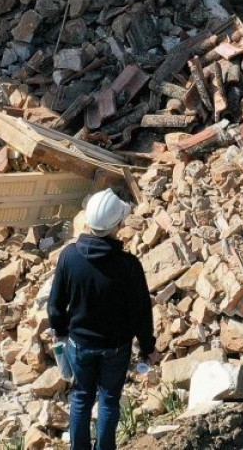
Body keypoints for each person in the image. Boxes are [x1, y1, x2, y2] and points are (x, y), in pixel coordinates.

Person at [48, 189, 158, 450]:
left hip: (79, 345)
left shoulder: (69, 256)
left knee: (81, 398)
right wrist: (148, 348)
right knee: (109, 400)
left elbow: (55, 304)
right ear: (118, 225)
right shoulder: (129, 265)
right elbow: (141, 311)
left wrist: (59, 330)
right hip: (115, 348)